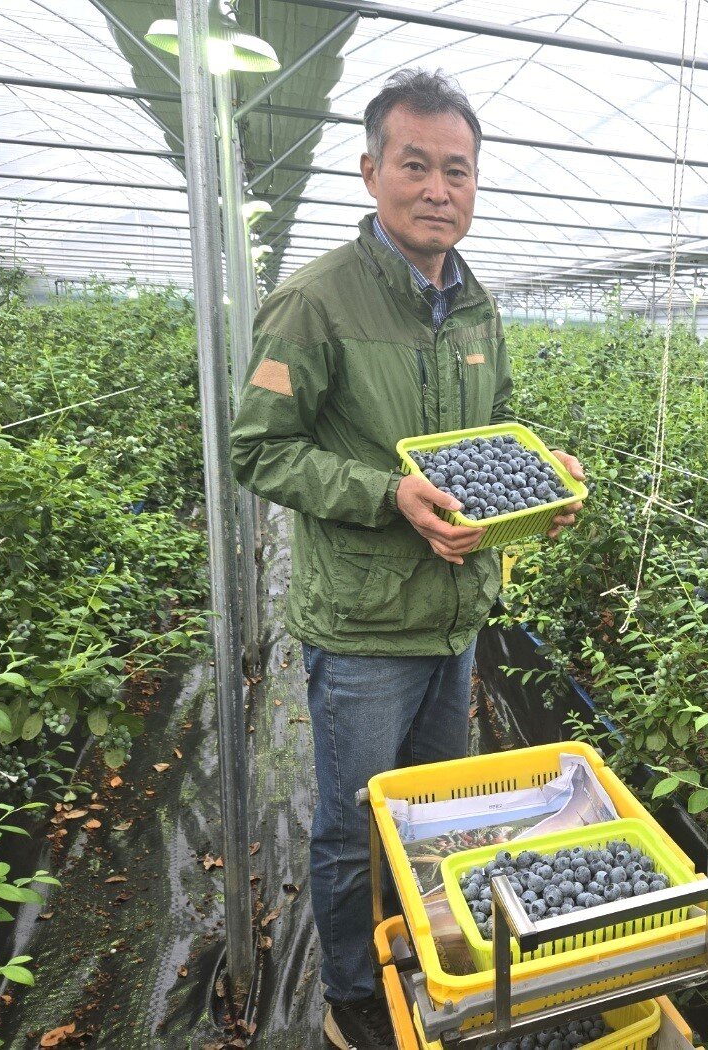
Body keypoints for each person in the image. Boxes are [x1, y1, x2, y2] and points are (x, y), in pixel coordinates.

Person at [230, 68, 584, 1050]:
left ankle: (429, 960)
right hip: (364, 628)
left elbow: (489, 441)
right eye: (415, 165)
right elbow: (258, 451)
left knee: (436, 819)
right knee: (353, 831)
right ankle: (354, 1003)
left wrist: (537, 477)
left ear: (476, 183)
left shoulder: (475, 307)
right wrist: (390, 495)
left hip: (456, 610)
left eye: (457, 170)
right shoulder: (311, 305)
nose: (439, 188)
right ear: (370, 169)